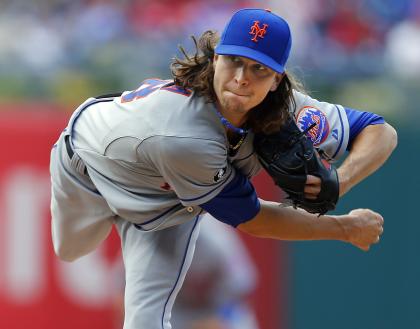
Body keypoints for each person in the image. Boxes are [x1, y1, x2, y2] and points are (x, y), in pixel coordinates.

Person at [49, 8, 397, 329]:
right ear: (216, 60)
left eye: (259, 68)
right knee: (72, 250)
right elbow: (254, 220)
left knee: (146, 321)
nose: (243, 78)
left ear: (277, 79)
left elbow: (381, 132)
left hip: (169, 202)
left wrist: (342, 180)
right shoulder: (185, 136)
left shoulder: (290, 110)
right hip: (89, 167)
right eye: (234, 61)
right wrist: (344, 229)